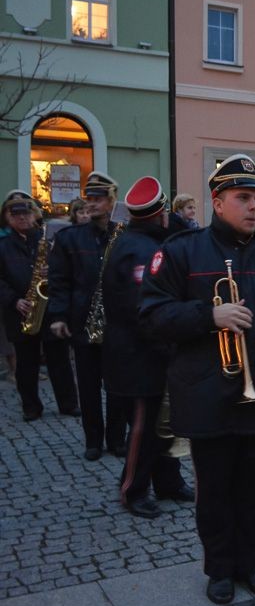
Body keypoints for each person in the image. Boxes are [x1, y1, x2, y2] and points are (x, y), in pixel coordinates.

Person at [139, 154, 255, 605]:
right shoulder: (181, 251)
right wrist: (209, 315)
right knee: (214, 491)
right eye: (243, 198)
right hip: (206, 393)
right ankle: (219, 569)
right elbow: (152, 316)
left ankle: (251, 565)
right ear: (217, 202)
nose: (254, 207)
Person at [102, 177, 191, 518]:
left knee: (164, 421)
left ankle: (168, 481)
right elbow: (143, 309)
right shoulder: (138, 250)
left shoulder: (141, 240)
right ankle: (133, 489)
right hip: (139, 355)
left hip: (150, 351)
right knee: (144, 425)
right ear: (159, 213)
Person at [48, 171, 130, 460]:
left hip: (117, 326)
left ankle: (117, 438)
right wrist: (58, 316)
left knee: (119, 386)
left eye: (99, 198)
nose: (92, 203)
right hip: (83, 323)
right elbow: (59, 281)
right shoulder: (70, 238)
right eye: (89, 198)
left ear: (111, 201)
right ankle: (93, 440)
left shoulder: (123, 236)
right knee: (88, 386)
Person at [0, 190, 79, 420]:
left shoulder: (47, 240)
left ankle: (68, 403)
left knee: (60, 361)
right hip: (21, 311)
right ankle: (31, 407)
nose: (22, 219)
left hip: (50, 308)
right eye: (16, 216)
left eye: (26, 214)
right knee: (26, 365)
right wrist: (14, 300)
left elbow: (67, 269)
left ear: (34, 215)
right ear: (7, 217)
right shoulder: (3, 246)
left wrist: (52, 270)